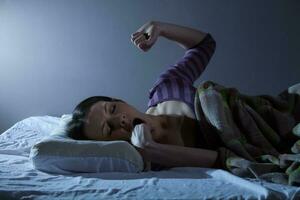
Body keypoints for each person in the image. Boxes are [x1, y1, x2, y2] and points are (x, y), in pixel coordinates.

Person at [66, 20, 219, 169]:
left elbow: (205, 45)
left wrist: (160, 27)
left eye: (112, 109)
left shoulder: (166, 88)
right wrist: (152, 150)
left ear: (120, 101)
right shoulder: (148, 164)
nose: (121, 119)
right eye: (109, 129)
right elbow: (223, 160)